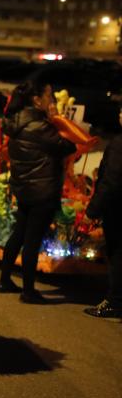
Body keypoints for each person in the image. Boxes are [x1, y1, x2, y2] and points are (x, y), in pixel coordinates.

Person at [0, 78, 76, 303]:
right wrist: (58, 121)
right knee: (32, 240)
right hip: (42, 190)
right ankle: (28, 291)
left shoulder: (17, 121)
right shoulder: (40, 126)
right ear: (36, 99)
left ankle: (4, 280)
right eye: (49, 95)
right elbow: (68, 146)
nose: (51, 99)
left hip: (23, 188)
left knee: (19, 234)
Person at [83, 105, 122, 318]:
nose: (119, 115)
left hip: (118, 211)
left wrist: (93, 211)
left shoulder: (119, 144)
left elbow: (111, 182)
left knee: (117, 255)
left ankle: (115, 302)